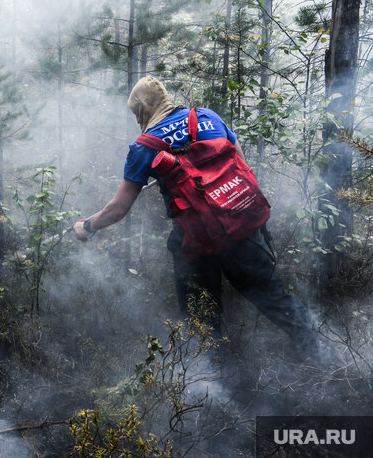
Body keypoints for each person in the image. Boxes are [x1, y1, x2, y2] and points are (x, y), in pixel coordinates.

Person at [73, 76, 318, 359]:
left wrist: (88, 226)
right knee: (276, 301)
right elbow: (243, 167)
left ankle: (216, 392)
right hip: (240, 227)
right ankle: (328, 362)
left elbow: (119, 207)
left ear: (142, 109)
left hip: (196, 243)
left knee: (203, 322)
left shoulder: (144, 146)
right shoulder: (207, 116)